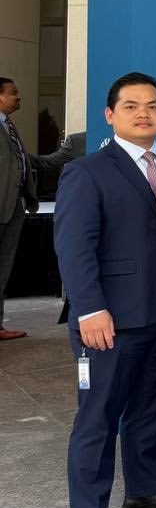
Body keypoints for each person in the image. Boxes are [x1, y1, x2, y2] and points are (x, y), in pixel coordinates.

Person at [53, 73, 156, 508]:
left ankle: (145, 490)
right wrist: (90, 308)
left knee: (151, 409)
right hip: (109, 320)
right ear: (110, 114)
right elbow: (74, 248)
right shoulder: (87, 172)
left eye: (153, 105)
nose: (144, 113)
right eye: (132, 105)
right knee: (97, 418)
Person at [1, 76, 74, 340]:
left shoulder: (8, 125)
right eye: (13, 92)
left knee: (3, 268)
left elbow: (20, 160)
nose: (19, 96)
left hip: (13, 207)